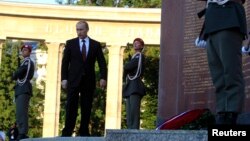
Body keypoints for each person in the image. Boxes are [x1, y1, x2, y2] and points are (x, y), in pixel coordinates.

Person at [202, 0, 247, 125]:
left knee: (231, 70)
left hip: (228, 17)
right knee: (218, 74)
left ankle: (231, 112)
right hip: (212, 22)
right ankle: (222, 111)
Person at [61, 20, 107, 136]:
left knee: (86, 106)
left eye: (81, 29)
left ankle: (84, 131)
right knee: (71, 106)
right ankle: (67, 131)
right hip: (73, 80)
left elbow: (102, 62)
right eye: (77, 29)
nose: (79, 32)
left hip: (88, 80)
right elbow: (65, 63)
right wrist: (64, 78)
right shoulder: (70, 43)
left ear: (87, 30)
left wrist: (103, 77)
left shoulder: (95, 45)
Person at [12, 44, 34, 140]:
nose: (23, 51)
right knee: (19, 113)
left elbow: (19, 73)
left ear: (29, 52)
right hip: (19, 89)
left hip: (24, 88)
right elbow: (16, 75)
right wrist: (16, 74)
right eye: (23, 50)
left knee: (22, 112)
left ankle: (23, 132)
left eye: (25, 50)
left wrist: (15, 73)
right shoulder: (23, 62)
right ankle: (21, 131)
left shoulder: (28, 62)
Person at [123, 38, 146, 129]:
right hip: (130, 85)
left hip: (135, 85)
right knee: (129, 112)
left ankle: (134, 130)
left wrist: (128, 64)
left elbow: (128, 66)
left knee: (134, 111)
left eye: (138, 43)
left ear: (141, 46)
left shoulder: (139, 56)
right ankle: (130, 129)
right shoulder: (133, 57)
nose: (135, 45)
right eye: (134, 43)